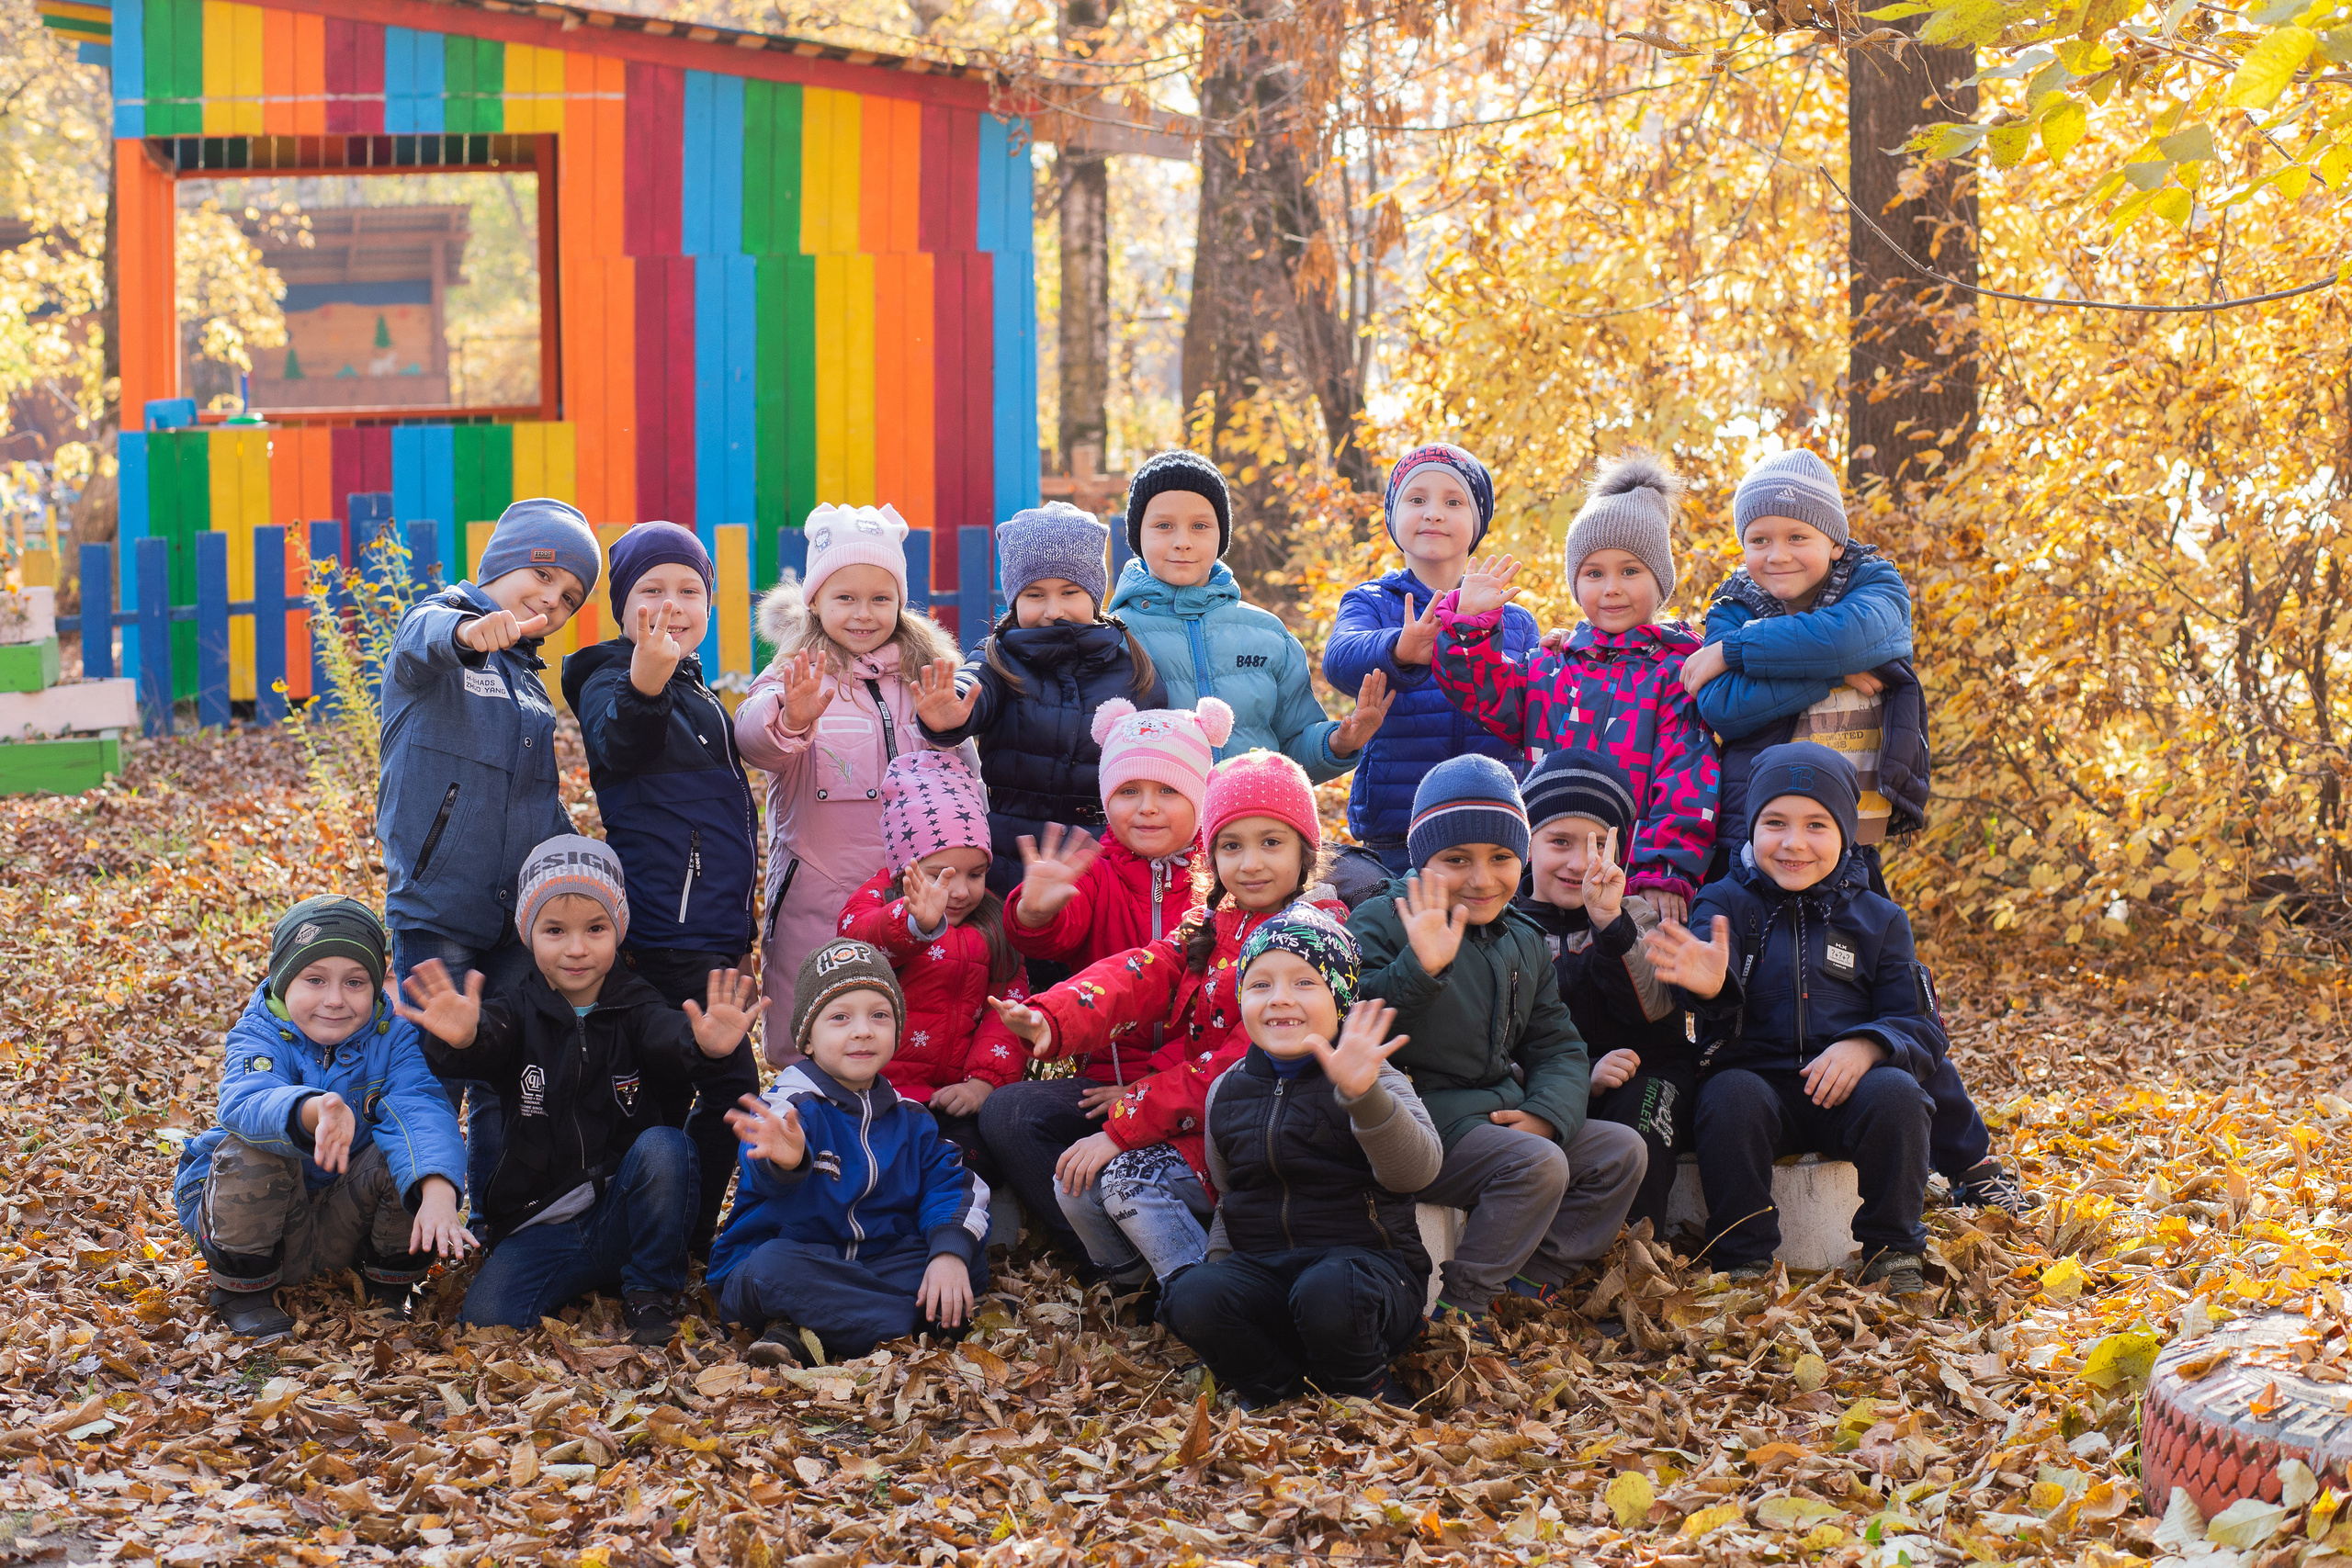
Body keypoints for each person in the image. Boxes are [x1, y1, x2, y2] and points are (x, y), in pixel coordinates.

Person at [1681, 448, 2021, 1214]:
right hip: (1756, 836)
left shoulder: (1874, 583)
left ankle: (1970, 1160)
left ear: (1833, 539)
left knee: (1897, 997)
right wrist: (1830, 668)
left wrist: (1736, 654)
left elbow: (1864, 635)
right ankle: (1742, 1128)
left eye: (1796, 536)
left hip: (1847, 840)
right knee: (1750, 986)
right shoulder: (1733, 600)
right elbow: (1724, 706)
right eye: (1758, 538)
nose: (1776, 554)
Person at [986, 750, 1345, 1299]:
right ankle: (1138, 1293)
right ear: (1211, 854)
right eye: (1231, 845)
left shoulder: (1307, 939)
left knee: (1126, 1180)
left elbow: (1238, 1067)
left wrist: (1128, 1117)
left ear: (1306, 851)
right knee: (1075, 1185)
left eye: (1271, 842)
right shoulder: (1216, 923)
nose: (1250, 864)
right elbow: (1138, 974)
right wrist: (1053, 1015)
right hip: (1197, 1112)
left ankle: (1205, 1300)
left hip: (1264, 1127)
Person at [393, 836, 763, 1343]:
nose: (576, 948)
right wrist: (463, 1037)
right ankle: (583, 1276)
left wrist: (704, 1045)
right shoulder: (516, 1009)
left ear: (619, 930)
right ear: (528, 934)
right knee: (486, 1321)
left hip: (623, 1213)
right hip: (541, 1222)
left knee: (666, 1146)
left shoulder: (637, 1005)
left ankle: (650, 1289)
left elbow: (669, 1038)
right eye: (555, 930)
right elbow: (486, 1043)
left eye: (595, 929)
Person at [1349, 754, 1646, 1323]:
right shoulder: (1383, 920)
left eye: (1501, 858)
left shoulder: (1522, 938)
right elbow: (1354, 1023)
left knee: (1620, 1151)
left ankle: (1533, 1281)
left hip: (1499, 1116)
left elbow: (1557, 1044)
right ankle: (1463, 1306)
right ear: (1421, 859)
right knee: (1536, 1164)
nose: (1482, 879)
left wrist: (1546, 1115)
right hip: (1418, 1123)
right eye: (1456, 859)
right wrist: (1421, 968)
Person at [1644, 743, 1946, 1295]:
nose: (1794, 843)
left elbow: (1921, 1025)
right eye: (1775, 823)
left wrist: (1868, 1045)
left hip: (1848, 1089)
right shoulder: (1723, 902)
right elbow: (1703, 977)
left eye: (1816, 825)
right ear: (1752, 828)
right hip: (1756, 1084)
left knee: (1900, 1097)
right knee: (1728, 1098)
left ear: (1846, 833)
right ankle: (1743, 1258)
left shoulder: (1880, 919)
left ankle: (1893, 1251)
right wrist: (1711, 984)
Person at [379, 496, 601, 1228]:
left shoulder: (530, 685)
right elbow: (425, 637)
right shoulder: (438, 630)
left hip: (514, 919)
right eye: (543, 574)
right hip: (439, 908)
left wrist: (586, 862)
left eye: (570, 596)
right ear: (502, 563)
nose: (553, 599)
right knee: (432, 1070)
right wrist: (468, 632)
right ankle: (403, 1233)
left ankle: (497, 1223)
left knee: (509, 1068)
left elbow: (535, 802)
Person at [560, 521, 763, 1258]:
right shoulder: (610, 678)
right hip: (666, 934)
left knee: (674, 1091)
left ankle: (659, 1235)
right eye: (651, 589)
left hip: (712, 933)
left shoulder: (696, 690)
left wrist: (742, 935)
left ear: (709, 605)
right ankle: (679, 1238)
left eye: (688, 590)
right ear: (621, 605)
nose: (671, 604)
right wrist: (645, 679)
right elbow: (620, 742)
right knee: (731, 1090)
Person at [1161, 906, 1442, 1406]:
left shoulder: (1374, 1076)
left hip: (1367, 1281)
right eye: (1260, 984)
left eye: (1304, 982)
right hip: (1268, 1277)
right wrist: (1220, 1284)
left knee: (1329, 1290)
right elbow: (1231, 1195)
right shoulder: (1227, 1089)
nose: (1279, 998)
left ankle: (1363, 1387)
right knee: (1191, 1294)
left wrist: (1362, 1095)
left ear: (1340, 996)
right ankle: (1274, 1389)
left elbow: (1417, 1172)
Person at [1428, 452, 1718, 923]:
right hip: (1544, 880)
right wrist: (1469, 626)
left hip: (1628, 883)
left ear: (1660, 580)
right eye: (1593, 573)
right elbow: (1482, 692)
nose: (1611, 588)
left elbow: (1687, 777)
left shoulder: (1676, 672)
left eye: (1630, 571)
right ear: (1575, 582)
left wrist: (1663, 869)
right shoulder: (1550, 666)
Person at [174, 897, 471, 1341]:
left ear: (376, 986)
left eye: (355, 982)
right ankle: (243, 1294)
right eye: (315, 980)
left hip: (345, 1225)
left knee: (407, 1155)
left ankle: (386, 1288)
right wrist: (310, 1111)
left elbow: (420, 1107)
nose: (335, 1000)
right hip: (262, 1227)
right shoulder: (259, 1033)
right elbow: (246, 1099)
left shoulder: (393, 1038)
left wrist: (437, 1188)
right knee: (248, 1148)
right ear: (283, 980)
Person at [735, 503, 973, 1046]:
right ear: (815, 600)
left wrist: (948, 730)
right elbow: (751, 739)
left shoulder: (923, 675)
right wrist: (791, 717)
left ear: (900, 602)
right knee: (818, 1026)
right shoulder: (797, 673)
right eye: (845, 598)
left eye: (880, 599)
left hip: (913, 892)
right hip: (820, 894)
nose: (864, 614)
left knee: (910, 1030)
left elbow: (964, 785)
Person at [707, 940, 992, 1367]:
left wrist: (948, 1255)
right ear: (807, 1038)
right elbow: (763, 1152)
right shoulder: (792, 1105)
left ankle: (807, 1329)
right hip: (789, 1261)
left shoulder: (911, 1118)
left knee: (964, 1258)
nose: (863, 1030)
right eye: (840, 1017)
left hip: (875, 1261)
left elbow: (954, 1185)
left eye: (879, 1015)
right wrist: (788, 1160)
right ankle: (915, 1320)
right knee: (770, 1267)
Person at [911, 502, 1165, 893]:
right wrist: (950, 715)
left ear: (1095, 595)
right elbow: (974, 684)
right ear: (1015, 599)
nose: (1053, 610)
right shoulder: (999, 658)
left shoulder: (1130, 667)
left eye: (1070, 592)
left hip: (1103, 866)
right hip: (1012, 864)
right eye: (1034, 594)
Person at [1106, 447, 1394, 785]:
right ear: (1137, 534)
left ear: (1222, 535)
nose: (1183, 541)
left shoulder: (1268, 635)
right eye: (1163, 525)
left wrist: (1338, 743)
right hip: (1157, 818)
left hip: (1254, 817)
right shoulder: (1113, 638)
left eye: (1200, 526)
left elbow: (1291, 750)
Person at [1323, 444, 1541, 886]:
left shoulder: (1515, 620)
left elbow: (1532, 711)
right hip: (1396, 831)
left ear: (1477, 522)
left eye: (1454, 502)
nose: (1434, 513)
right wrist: (1399, 649)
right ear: (1393, 516)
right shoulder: (1373, 602)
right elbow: (1340, 658)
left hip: (1492, 830)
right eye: (1417, 499)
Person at [1513, 748, 1693, 1234]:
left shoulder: (1636, 916)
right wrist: (1581, 1077)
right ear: (1527, 842)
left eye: (1598, 845)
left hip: (1643, 1070)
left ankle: (1633, 1250)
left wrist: (1609, 923)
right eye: (1560, 842)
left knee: (1642, 1115)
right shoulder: (1508, 925)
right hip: (1546, 1081)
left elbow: (1651, 1009)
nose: (1579, 863)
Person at [833, 750, 1030, 1182]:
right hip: (869, 1093)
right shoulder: (876, 904)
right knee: (872, 1170)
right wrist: (913, 925)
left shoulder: (993, 924)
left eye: (976, 874)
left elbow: (1007, 1012)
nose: (959, 891)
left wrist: (983, 1082)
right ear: (905, 866)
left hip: (950, 1098)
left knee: (969, 1165)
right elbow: (860, 945)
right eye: (942, 874)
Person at [1002, 696, 1225, 976]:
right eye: (1129, 791)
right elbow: (1052, 941)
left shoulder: (1222, 872)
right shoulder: (1090, 871)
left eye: (1168, 790)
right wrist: (1034, 914)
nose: (1147, 808)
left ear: (1201, 798)